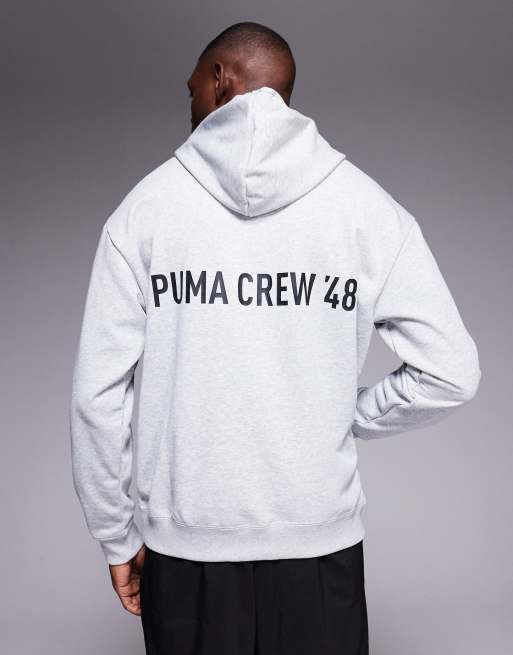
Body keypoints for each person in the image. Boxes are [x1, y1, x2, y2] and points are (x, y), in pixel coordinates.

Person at [69, 21, 481, 655]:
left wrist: (116, 536)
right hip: (320, 549)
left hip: (186, 555)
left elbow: (98, 396)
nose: (189, 104)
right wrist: (345, 416)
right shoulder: (367, 210)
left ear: (219, 80)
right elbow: (451, 371)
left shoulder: (143, 212)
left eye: (191, 89)